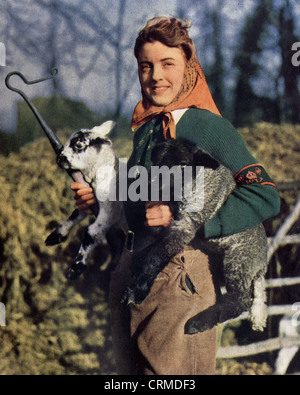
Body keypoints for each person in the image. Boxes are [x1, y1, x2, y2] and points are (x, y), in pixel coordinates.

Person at [71, 17, 280, 375]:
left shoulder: (208, 127)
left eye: (168, 64)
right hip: (132, 268)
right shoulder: (148, 127)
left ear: (189, 67)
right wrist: (102, 202)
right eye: (146, 66)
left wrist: (195, 225)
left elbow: (265, 195)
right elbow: (142, 202)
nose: (155, 76)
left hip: (181, 273)